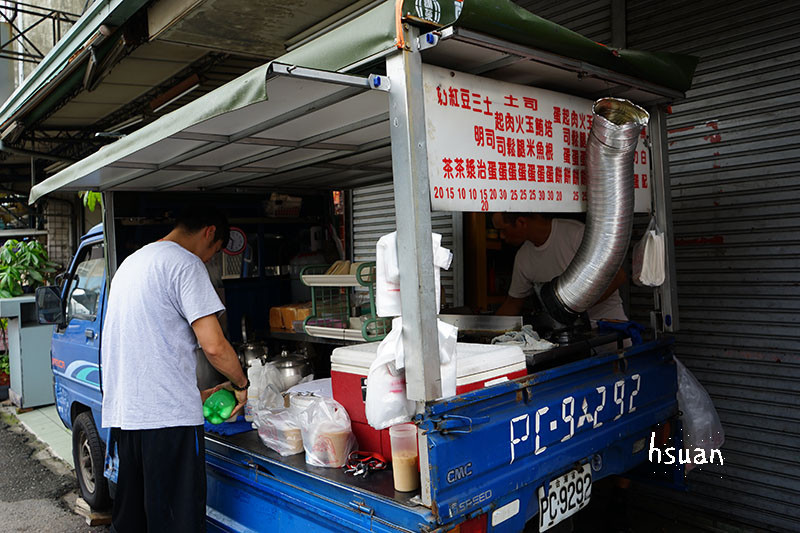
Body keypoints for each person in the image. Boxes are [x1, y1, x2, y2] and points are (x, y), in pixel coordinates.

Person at [101, 206, 249, 533]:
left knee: (133, 521)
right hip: (169, 427)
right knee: (176, 521)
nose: (210, 259)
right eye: (214, 251)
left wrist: (194, 395)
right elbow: (214, 345)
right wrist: (240, 382)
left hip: (128, 421)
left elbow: (147, 348)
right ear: (209, 232)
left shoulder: (133, 263)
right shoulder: (185, 263)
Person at [492, 212, 627, 324]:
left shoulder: (575, 234)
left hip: (609, 327)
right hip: (571, 338)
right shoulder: (523, 257)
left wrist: (575, 308)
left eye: (502, 229)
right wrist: (488, 329)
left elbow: (618, 276)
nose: (502, 236)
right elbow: (513, 304)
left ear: (521, 222)